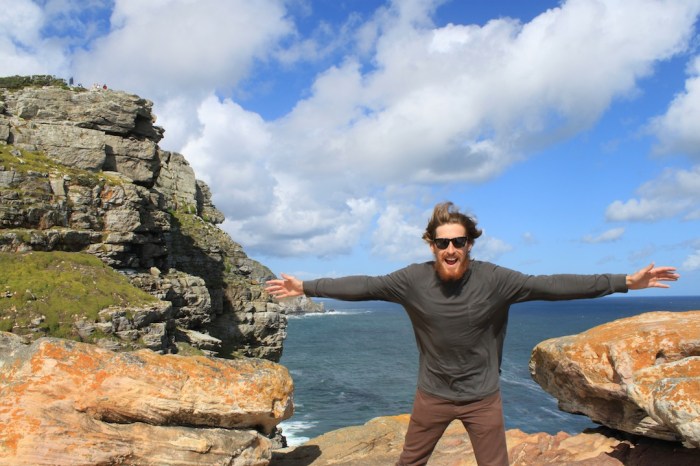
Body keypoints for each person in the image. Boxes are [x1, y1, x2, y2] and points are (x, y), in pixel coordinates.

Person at [265, 201, 679, 466]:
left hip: (483, 398)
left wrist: (625, 281)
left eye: (459, 242)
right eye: (443, 243)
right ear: (431, 245)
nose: (451, 249)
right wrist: (307, 287)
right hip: (432, 395)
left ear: (469, 245)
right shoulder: (411, 280)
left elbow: (553, 285)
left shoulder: (496, 280)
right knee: (410, 463)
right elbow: (364, 285)